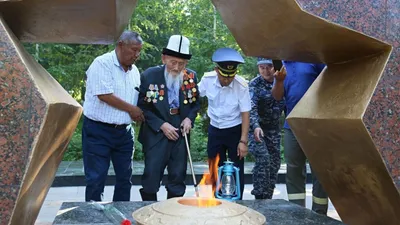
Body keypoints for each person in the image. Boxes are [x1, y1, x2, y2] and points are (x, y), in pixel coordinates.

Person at [82, 31, 144, 202]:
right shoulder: (102, 63)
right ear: (120, 45)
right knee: (96, 179)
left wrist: (141, 112)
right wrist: (132, 109)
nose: (137, 55)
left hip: (124, 133)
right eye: (133, 50)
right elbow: (104, 95)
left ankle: (121, 216)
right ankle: (95, 218)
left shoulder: (135, 71)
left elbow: (137, 99)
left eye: (139, 51)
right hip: (98, 131)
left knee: (125, 178)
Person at [138, 35, 200, 201]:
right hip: (156, 131)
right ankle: (149, 213)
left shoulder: (191, 77)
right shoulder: (150, 75)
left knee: (177, 177)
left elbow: (195, 104)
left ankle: (173, 214)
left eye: (181, 63)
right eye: (173, 62)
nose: (177, 67)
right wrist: (162, 125)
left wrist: (189, 119)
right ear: (164, 58)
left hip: (181, 131)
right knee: (151, 176)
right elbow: (142, 107)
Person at [272, 61, 328, 214]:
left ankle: (319, 214)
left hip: (316, 125)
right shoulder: (281, 63)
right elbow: (277, 96)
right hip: (292, 126)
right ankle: (297, 213)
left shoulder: (312, 57)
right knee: (293, 170)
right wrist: (279, 80)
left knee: (320, 171)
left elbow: (329, 82)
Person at [198, 47, 251, 200]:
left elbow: (245, 113)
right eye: (224, 76)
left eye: (231, 76)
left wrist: (243, 141)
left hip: (234, 130)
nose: (227, 80)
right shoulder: (207, 80)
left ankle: (237, 201)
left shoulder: (241, 86)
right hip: (215, 129)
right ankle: (215, 200)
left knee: (236, 168)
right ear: (216, 70)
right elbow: (194, 95)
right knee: (214, 165)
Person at [248, 58, 285, 199]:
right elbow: (251, 108)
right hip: (256, 129)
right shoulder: (254, 84)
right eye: (262, 67)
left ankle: (267, 196)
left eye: (269, 67)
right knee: (263, 158)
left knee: (275, 163)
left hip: (273, 130)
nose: (265, 71)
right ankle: (259, 195)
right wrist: (256, 126)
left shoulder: (282, 81)